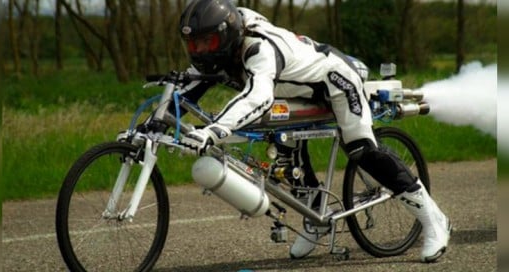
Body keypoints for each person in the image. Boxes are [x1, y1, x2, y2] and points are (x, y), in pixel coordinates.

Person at [176, 0, 451, 262]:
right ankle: (318, 216)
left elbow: (257, 97)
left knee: (361, 151)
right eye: (193, 45)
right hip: (295, 89)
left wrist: (213, 131)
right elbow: (187, 90)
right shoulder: (228, 40)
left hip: (334, 81)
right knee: (284, 150)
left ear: (226, 34)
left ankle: (433, 219)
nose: (200, 51)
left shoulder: (259, 49)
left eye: (206, 43)